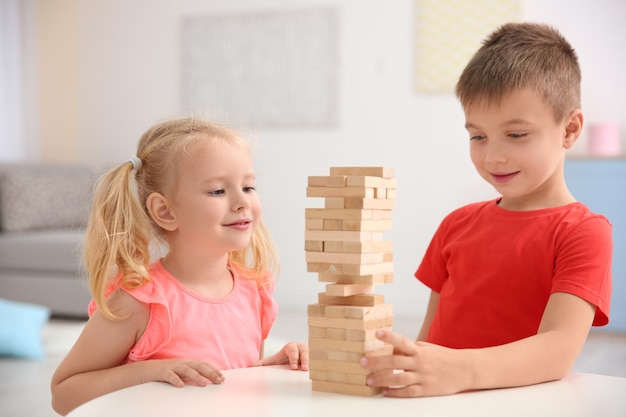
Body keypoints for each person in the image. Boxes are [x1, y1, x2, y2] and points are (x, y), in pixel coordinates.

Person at [360, 22, 612, 397]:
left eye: (516, 134)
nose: (493, 156)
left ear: (570, 130)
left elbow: (558, 350)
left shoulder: (583, 231)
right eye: (478, 136)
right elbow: (429, 338)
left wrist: (461, 371)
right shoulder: (456, 225)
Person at [51, 116, 309, 415]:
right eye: (217, 191)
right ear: (165, 211)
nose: (242, 202)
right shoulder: (139, 302)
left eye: (249, 187)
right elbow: (64, 393)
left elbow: (230, 382)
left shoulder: (255, 291)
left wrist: (272, 366)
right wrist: (148, 372)